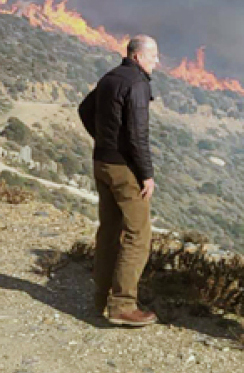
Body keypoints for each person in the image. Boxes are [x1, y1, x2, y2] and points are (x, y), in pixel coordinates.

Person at [78, 35, 160, 327]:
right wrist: (146, 174)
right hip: (124, 169)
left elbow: (84, 110)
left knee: (109, 230)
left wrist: (103, 141)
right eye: (153, 56)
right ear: (138, 56)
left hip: (101, 162)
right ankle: (123, 305)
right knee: (138, 235)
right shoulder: (137, 83)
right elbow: (137, 134)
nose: (157, 61)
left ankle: (100, 299)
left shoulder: (110, 77)